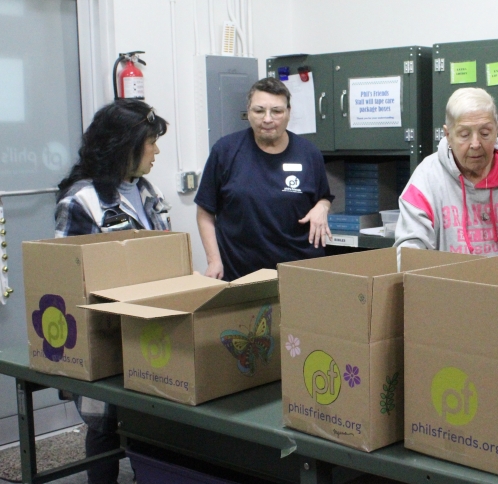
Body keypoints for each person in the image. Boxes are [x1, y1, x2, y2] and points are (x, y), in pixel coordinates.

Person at [55, 98, 170, 484]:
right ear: (127, 145)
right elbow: (67, 279)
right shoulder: (82, 200)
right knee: (104, 427)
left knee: (150, 425)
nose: (156, 151)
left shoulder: (148, 191)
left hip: (150, 325)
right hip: (104, 332)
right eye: (151, 142)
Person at [195, 77, 333, 281]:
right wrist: (214, 260)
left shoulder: (309, 153)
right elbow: (205, 212)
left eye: (276, 111)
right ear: (248, 112)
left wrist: (323, 207)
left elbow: (323, 196)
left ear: (288, 113)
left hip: (299, 273)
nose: (267, 119)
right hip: (241, 275)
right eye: (259, 111)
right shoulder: (225, 151)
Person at [395, 87, 498, 256]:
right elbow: (409, 254)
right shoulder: (426, 180)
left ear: (496, 129)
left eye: (485, 133)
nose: (476, 144)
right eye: (464, 134)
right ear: (447, 134)